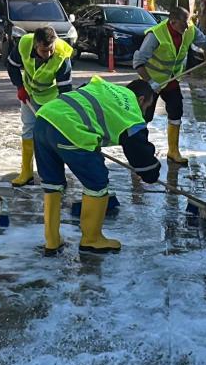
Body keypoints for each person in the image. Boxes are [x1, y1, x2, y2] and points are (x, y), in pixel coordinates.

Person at [33, 77, 162, 255]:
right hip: (71, 129)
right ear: (141, 100)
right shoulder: (132, 110)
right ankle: (92, 239)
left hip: (44, 119)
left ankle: (52, 241)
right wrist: (151, 173)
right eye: (147, 106)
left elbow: (85, 103)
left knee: (52, 183)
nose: (145, 111)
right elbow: (138, 150)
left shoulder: (103, 85)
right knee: (97, 181)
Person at [132, 6, 206, 166]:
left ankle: (173, 151)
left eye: (188, 23)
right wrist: (150, 82)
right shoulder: (155, 36)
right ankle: (140, 153)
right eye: (183, 23)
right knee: (144, 117)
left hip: (172, 80)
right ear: (172, 22)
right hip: (151, 83)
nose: (187, 27)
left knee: (176, 112)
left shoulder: (189, 30)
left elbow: (205, 41)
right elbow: (138, 62)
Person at [5, 26, 73, 187]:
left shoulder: (62, 54)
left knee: (52, 134)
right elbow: (12, 65)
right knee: (28, 129)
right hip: (29, 93)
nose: (48, 54)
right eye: (44, 51)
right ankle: (26, 173)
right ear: (36, 45)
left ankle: (57, 176)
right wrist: (19, 86)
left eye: (51, 49)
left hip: (52, 97)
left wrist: (63, 110)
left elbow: (65, 87)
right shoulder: (24, 43)